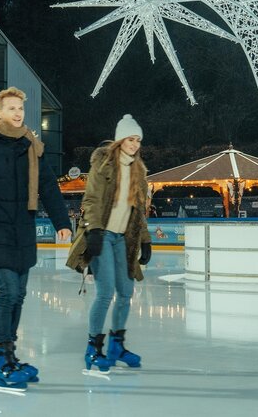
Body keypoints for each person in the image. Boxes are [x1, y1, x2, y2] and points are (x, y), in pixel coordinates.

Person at [0, 87, 73, 391]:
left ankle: (11, 356)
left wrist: (62, 222)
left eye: (20, 108)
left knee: (19, 295)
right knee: (9, 292)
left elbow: (48, 187)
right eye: (11, 108)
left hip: (23, 232)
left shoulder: (30, 147)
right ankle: (1, 362)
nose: (18, 113)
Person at [66, 114, 153, 374]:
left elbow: (138, 211)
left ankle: (117, 346)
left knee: (126, 292)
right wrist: (93, 230)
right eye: (130, 139)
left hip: (123, 239)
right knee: (105, 293)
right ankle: (93, 349)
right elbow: (92, 199)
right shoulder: (103, 164)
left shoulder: (138, 171)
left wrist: (145, 240)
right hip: (102, 235)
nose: (135, 144)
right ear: (119, 140)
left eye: (138, 140)